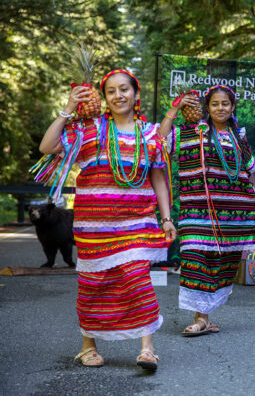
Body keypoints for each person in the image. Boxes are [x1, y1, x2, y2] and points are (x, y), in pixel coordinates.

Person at [39, 70, 176, 370]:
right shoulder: (88, 130)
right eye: (111, 91)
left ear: (136, 94)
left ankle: (148, 348)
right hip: (94, 228)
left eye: (124, 89)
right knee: (94, 285)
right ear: (105, 98)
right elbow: (47, 147)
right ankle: (88, 345)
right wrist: (68, 109)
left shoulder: (151, 134)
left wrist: (166, 219)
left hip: (138, 224)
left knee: (138, 281)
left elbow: (158, 179)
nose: (119, 95)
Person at [159, 85, 255, 336]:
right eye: (215, 104)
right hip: (196, 211)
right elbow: (160, 141)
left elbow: (250, 168)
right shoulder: (187, 132)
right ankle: (200, 317)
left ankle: (204, 317)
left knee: (223, 263)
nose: (220, 108)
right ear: (207, 107)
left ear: (232, 106)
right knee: (196, 258)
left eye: (225, 103)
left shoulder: (238, 136)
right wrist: (175, 108)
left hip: (232, 214)